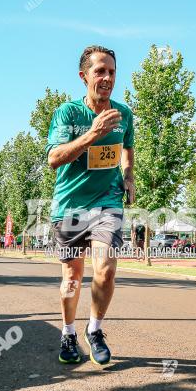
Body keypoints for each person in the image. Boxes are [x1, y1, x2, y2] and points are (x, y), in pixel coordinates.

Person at [46, 45, 135, 366]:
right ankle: (68, 333)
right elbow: (54, 158)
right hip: (70, 205)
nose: (107, 77)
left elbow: (127, 147)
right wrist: (92, 133)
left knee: (106, 270)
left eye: (111, 71)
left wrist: (128, 176)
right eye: (100, 71)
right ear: (84, 76)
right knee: (72, 277)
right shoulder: (68, 114)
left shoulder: (124, 114)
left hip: (107, 203)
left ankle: (94, 329)